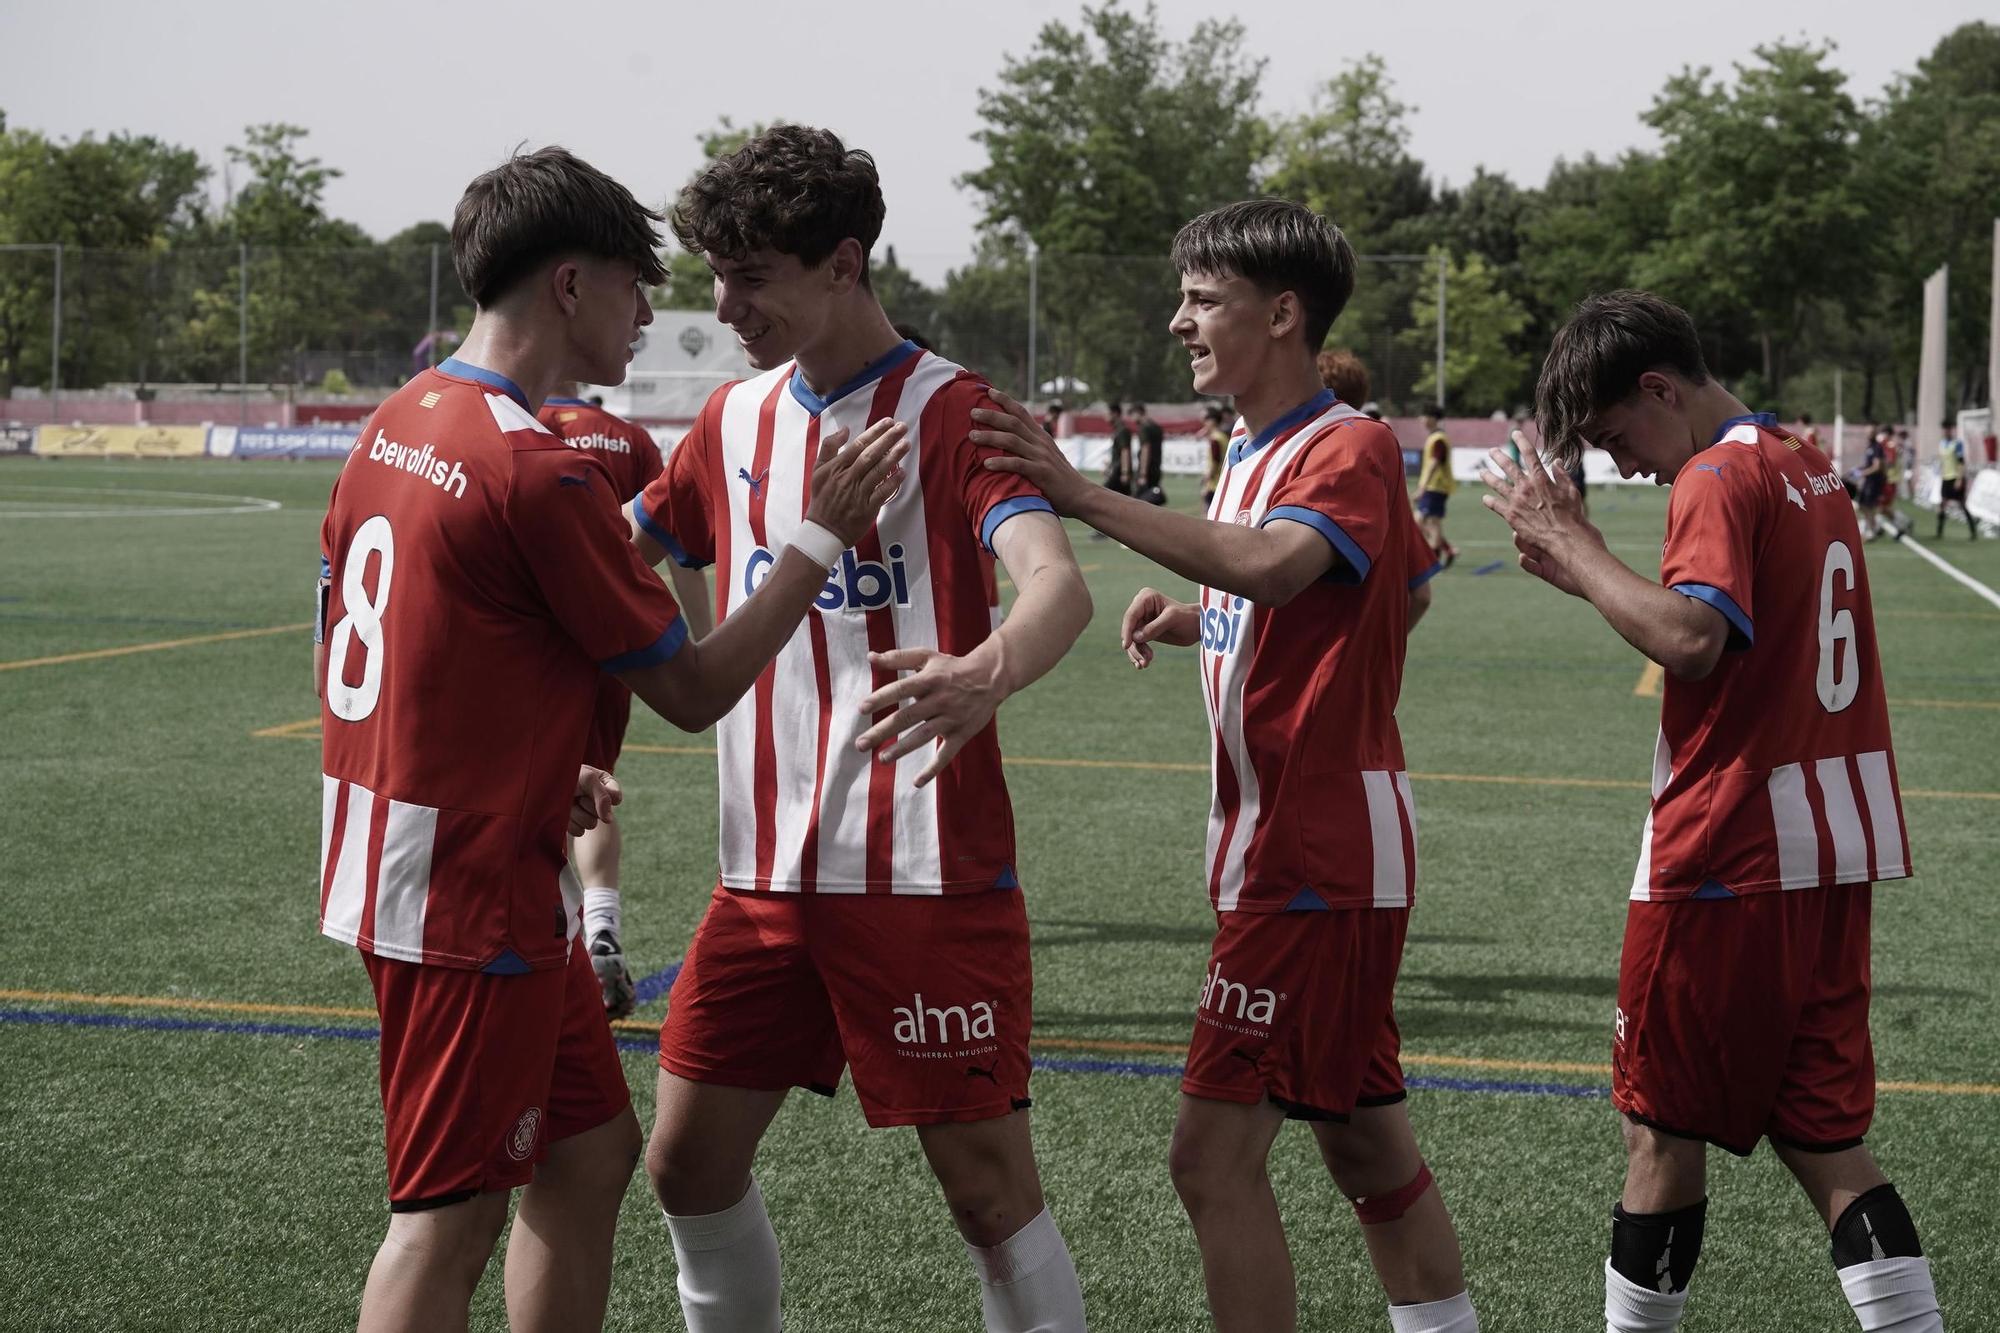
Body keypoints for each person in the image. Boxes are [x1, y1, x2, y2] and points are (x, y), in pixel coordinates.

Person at [314, 146, 905, 1333]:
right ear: (570, 285)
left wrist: (534, 760)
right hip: (461, 892)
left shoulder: (403, 417)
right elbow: (690, 691)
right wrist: (818, 538)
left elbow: (411, 631)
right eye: (639, 283)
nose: (656, 312)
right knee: (447, 1219)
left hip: (439, 848)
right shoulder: (532, 468)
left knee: (588, 1157)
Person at [973, 198, 1474, 1333]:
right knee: (1362, 1140)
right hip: (1292, 849)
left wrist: (1081, 493)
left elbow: (1284, 570)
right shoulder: (1250, 449)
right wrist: (1202, 613)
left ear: (1282, 313)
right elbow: (1339, 593)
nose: (1177, 320)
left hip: (1313, 852)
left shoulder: (1341, 441)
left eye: (1203, 300)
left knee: (1208, 1159)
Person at [622, 125, 1093, 1333]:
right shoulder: (730, 421)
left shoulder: (951, 412)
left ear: (842, 264)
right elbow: (628, 554)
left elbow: (1054, 583)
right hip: (760, 877)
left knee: (985, 1193)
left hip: (922, 871)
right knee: (685, 1164)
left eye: (751, 277)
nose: (725, 306)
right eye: (714, 277)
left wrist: (986, 669)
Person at [1482, 290, 1940, 1333]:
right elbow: (1741, 635)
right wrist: (1582, 574)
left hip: (1726, 852)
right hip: (1831, 840)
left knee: (1657, 1130)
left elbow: (1693, 640)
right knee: (1824, 1139)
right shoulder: (1798, 459)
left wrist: (1576, 544)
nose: (1620, 464)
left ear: (1659, 389)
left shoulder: (1713, 472)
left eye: (1613, 436)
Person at [537, 386, 715, 1017]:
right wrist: (707, 643)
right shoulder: (631, 440)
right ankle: (600, 921)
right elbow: (677, 550)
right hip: (614, 642)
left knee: (534, 789)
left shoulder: (516, 422)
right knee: (593, 786)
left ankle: (564, 935)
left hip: (538, 646)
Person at [1414, 405, 1458, 568]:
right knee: (1421, 521)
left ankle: (1434, 557)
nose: (1421, 419)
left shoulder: (1438, 438)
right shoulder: (1435, 437)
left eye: (1424, 416)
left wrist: (1422, 487)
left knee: (1430, 522)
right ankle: (1447, 550)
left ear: (1432, 418)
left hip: (1435, 487)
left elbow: (1434, 463)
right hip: (1434, 487)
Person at [1936, 429, 1977, 540]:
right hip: (1946, 478)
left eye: (1947, 430)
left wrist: (1959, 479)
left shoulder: (1957, 444)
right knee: (1942, 504)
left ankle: (1973, 531)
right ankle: (1939, 532)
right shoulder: (1942, 444)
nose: (1946, 432)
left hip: (1955, 477)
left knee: (1962, 505)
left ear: (1951, 431)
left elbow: (1961, 462)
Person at [1127, 401, 1167, 504]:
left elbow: (1145, 449)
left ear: (1138, 412)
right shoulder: (1156, 427)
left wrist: (1143, 474)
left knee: (1138, 501)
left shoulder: (1144, 428)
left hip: (1146, 470)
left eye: (1131, 414)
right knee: (1151, 500)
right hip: (1155, 468)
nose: (1131, 419)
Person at [1857, 428, 1887, 538]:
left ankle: (1872, 529)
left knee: (1869, 505)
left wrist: (1863, 473)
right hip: (1868, 480)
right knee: (1862, 505)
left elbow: (1877, 466)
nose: (1868, 435)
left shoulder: (1877, 447)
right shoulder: (1869, 447)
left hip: (1874, 481)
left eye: (1871, 433)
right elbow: (1869, 464)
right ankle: (1873, 527)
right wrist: (1859, 469)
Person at [1199, 403, 1228, 508]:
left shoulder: (1215, 439)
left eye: (1206, 419)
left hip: (1214, 485)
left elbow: (1215, 462)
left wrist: (1206, 482)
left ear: (1213, 421)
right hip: (1222, 483)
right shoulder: (1224, 436)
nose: (1204, 422)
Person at [1103, 398, 1133, 494]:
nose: (1105, 416)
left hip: (1119, 471)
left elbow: (1125, 451)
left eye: (1107, 413)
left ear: (1115, 413)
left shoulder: (1122, 431)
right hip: (1116, 470)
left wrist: (1125, 472)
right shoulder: (1118, 430)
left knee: (1103, 495)